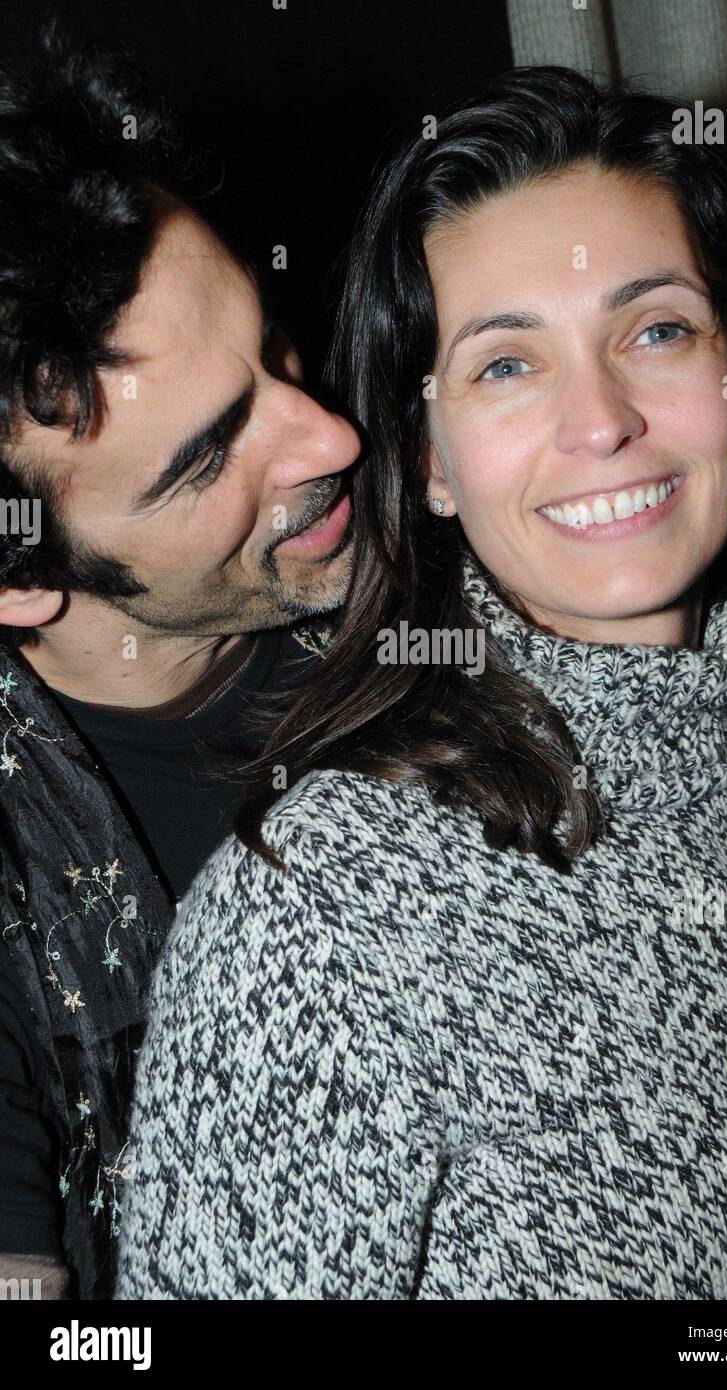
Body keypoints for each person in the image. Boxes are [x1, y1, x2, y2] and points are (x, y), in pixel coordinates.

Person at [116, 67, 727, 1300]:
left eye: (656, 328)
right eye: (504, 365)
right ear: (430, 464)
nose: (600, 419)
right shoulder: (321, 921)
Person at [0, 25, 359, 1298]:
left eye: (276, 351)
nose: (328, 436)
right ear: (19, 576)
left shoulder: (448, 605)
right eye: (209, 457)